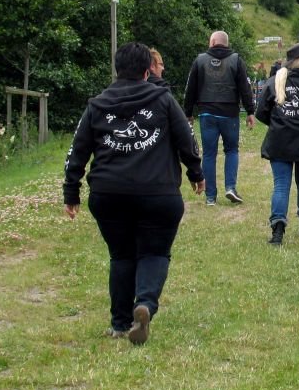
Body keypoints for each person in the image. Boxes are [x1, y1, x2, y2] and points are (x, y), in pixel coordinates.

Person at [63, 42, 205, 345]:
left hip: (108, 193)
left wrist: (71, 190)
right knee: (154, 252)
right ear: (147, 71)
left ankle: (119, 323)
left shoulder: (97, 104)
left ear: (117, 69)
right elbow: (187, 139)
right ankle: (146, 304)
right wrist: (196, 173)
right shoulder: (163, 99)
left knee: (121, 255)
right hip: (158, 193)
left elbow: (77, 150)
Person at [256, 43, 299, 244]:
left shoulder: (274, 81)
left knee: (281, 185)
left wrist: (279, 123)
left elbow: (261, 112)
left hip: (279, 142)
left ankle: (277, 231)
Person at [183, 30, 256, 206]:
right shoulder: (236, 60)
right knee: (231, 150)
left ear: (213, 42)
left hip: (207, 113)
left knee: (209, 154)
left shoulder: (200, 60)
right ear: (226, 43)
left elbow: (190, 88)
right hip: (229, 113)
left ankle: (210, 197)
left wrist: (188, 113)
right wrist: (250, 111)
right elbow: (245, 88)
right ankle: (230, 187)